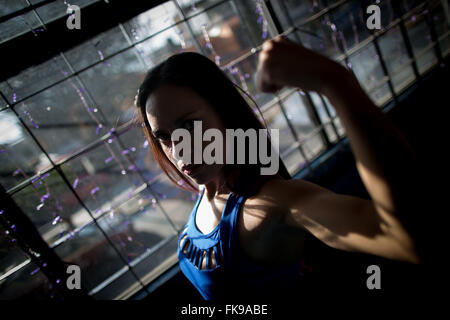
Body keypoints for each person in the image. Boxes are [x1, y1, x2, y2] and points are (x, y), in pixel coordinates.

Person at [134, 35, 422, 301]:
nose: (180, 150)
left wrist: (334, 81)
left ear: (225, 115)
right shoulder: (207, 186)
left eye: (190, 126)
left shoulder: (273, 201)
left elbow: (406, 237)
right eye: (164, 137)